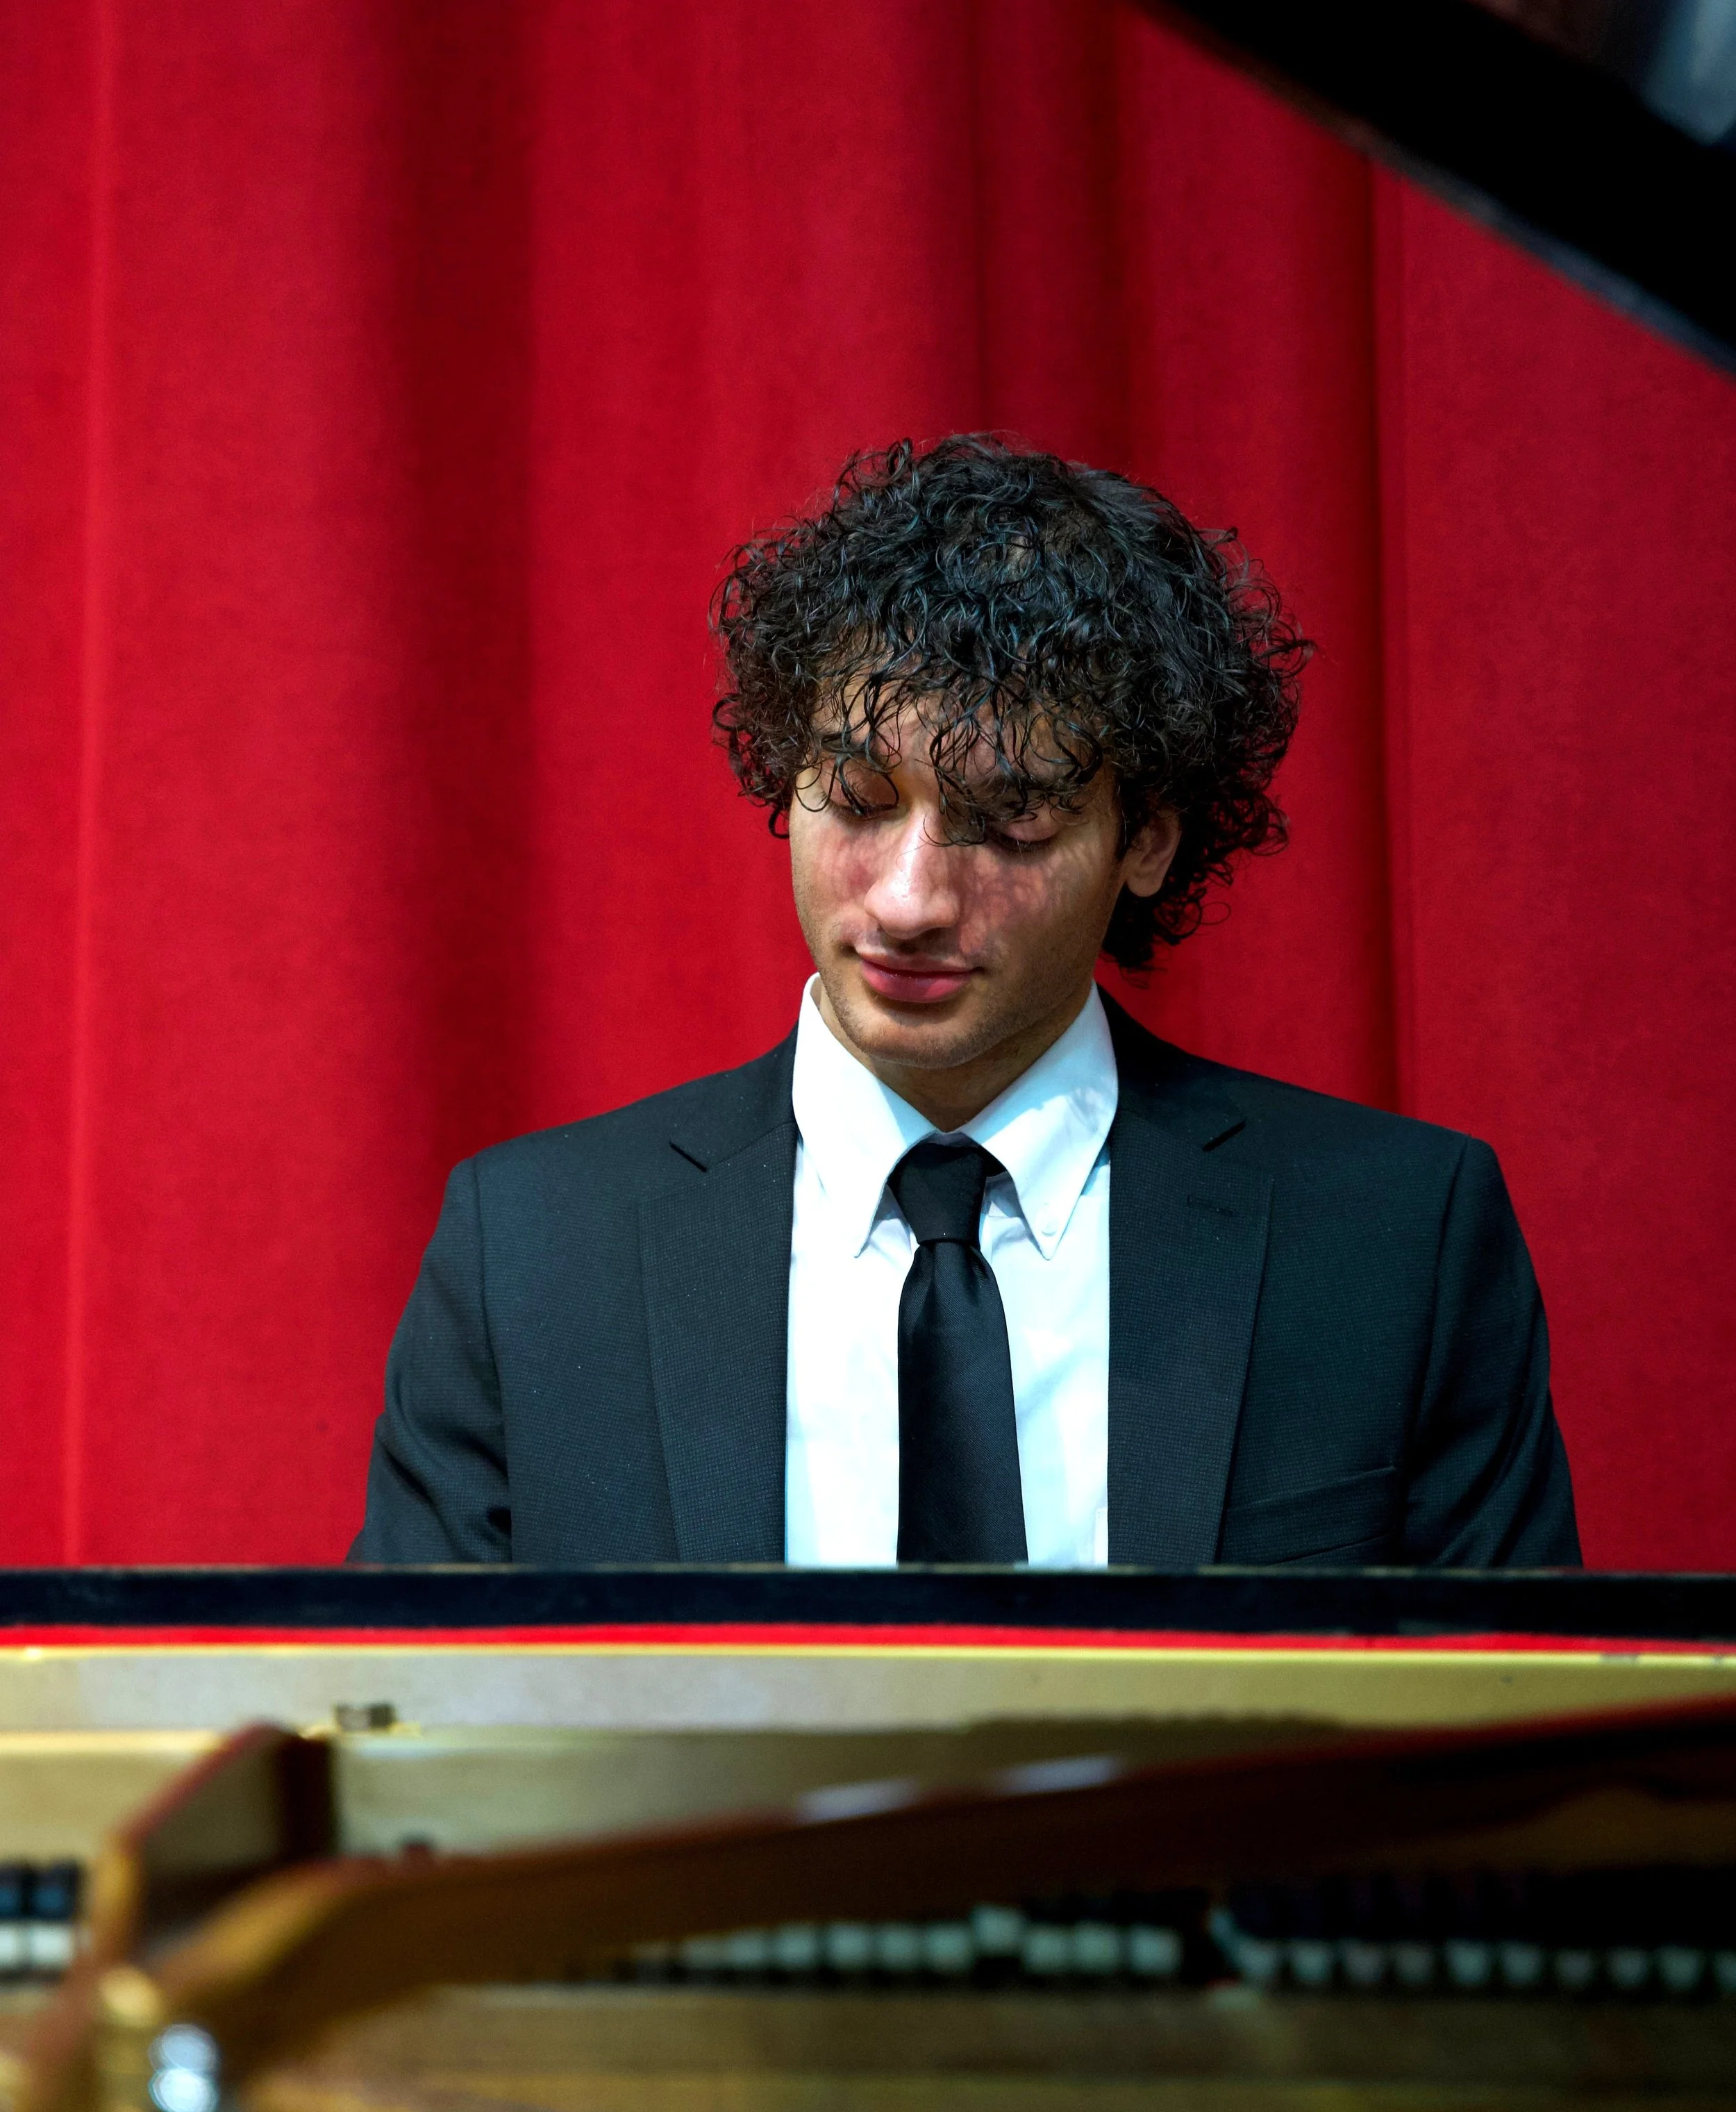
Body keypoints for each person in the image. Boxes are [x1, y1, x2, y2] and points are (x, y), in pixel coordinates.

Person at [351, 436, 1578, 1570]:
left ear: (1145, 837)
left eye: (1010, 819)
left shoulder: (1397, 1241)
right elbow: (421, 1755)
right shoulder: (531, 1254)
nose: (906, 900)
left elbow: (1516, 1762)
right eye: (857, 795)